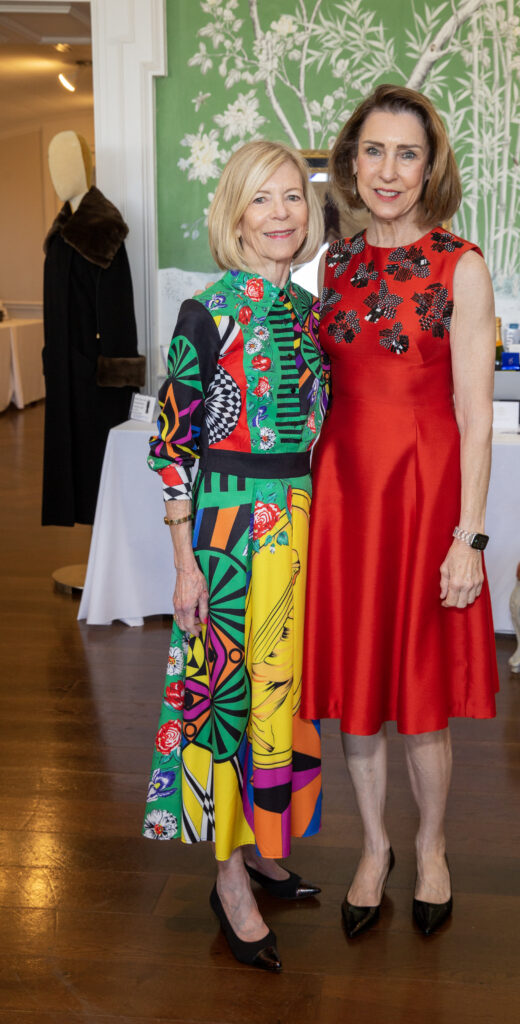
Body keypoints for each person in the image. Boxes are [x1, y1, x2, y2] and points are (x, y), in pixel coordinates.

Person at [302, 84, 499, 938]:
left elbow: (475, 416)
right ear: (350, 161)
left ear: (430, 166)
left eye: (407, 153)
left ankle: (430, 847)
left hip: (424, 504)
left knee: (418, 694)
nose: (388, 170)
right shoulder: (334, 261)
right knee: (358, 690)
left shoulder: (462, 264)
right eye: (373, 151)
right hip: (342, 501)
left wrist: (469, 538)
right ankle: (374, 846)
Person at [142, 141, 329, 972]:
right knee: (225, 695)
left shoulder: (309, 313)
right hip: (223, 528)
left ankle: (262, 844)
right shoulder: (206, 310)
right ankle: (226, 879)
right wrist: (185, 563)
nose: (281, 213)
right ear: (235, 214)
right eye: (262, 200)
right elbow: (173, 445)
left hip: (298, 519)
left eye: (292, 197)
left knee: (281, 691)